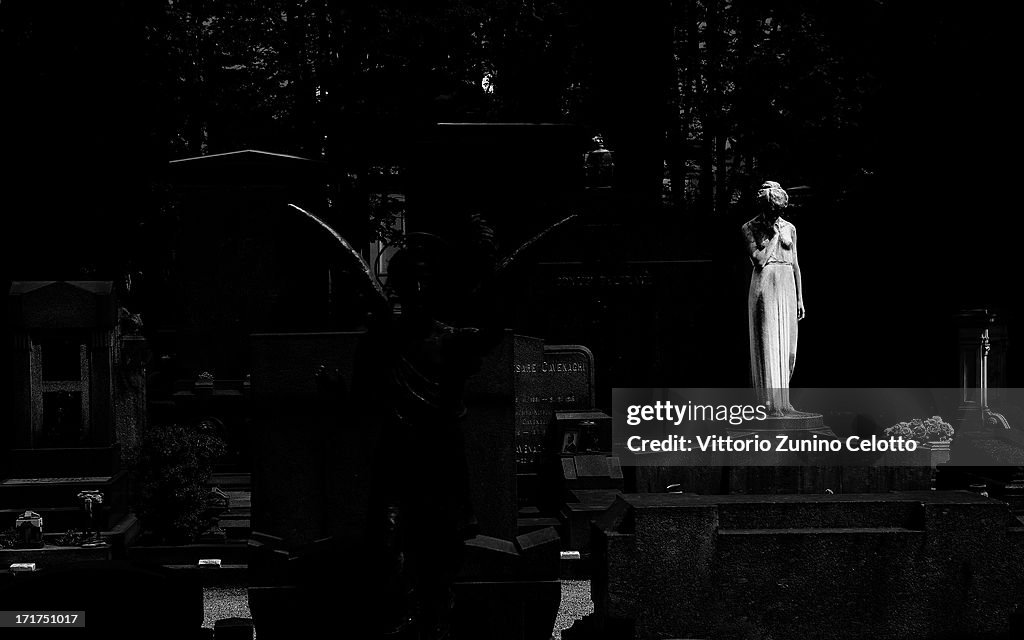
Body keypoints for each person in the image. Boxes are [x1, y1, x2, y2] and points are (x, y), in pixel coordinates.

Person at [741, 181, 805, 415]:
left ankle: (783, 401)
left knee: (788, 346)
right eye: (771, 208)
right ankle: (769, 404)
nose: (775, 213)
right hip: (765, 283)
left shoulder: (790, 227)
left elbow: (796, 264)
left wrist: (800, 298)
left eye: (778, 209)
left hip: (786, 282)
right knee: (768, 344)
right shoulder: (750, 227)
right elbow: (758, 260)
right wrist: (775, 237)